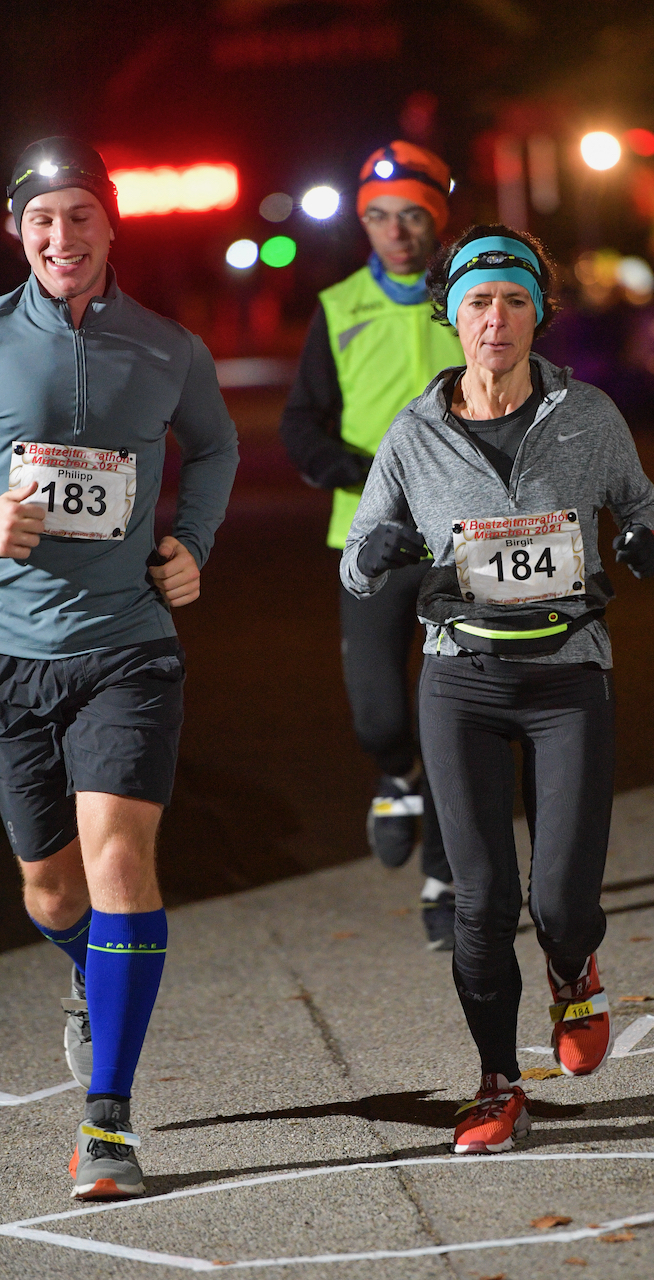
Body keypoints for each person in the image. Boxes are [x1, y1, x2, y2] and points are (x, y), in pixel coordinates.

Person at [341, 225, 654, 1153]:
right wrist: (383, 553)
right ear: (450, 314)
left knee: (560, 899)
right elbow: (359, 563)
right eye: (479, 302)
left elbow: (640, 506)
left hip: (569, 678)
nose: (497, 320)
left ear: (539, 314)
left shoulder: (589, 413)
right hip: (463, 683)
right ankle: (495, 1082)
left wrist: (644, 546)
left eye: (515, 301)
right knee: (478, 902)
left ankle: (574, 969)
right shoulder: (414, 431)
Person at [1, 136, 238, 1197]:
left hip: (129, 646)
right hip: (13, 652)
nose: (62, 236)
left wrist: (194, 542)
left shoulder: (167, 346)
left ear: (110, 227)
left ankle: (108, 1120)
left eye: (80, 216)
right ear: (19, 230)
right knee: (51, 893)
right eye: (42, 218)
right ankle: (94, 978)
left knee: (119, 867)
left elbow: (218, 447)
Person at [280, 141, 463, 950]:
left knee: (462, 714)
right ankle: (397, 776)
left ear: (439, 219)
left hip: (469, 539)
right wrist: (358, 473)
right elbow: (299, 424)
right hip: (373, 540)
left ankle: (450, 878)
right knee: (381, 713)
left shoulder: (474, 299)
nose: (396, 232)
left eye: (413, 214)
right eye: (379, 217)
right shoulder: (340, 306)